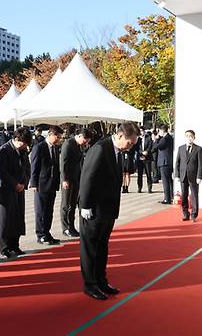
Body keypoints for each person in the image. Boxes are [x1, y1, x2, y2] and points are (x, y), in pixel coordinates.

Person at [79, 122, 139, 300]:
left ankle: (101, 280)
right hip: (94, 209)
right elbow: (88, 177)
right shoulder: (100, 148)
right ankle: (90, 284)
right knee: (90, 247)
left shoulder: (119, 152)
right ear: (120, 136)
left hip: (108, 209)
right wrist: (85, 206)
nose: (131, 146)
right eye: (130, 143)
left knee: (102, 246)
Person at [0, 128, 32, 258]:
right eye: (23, 143)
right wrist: (15, 184)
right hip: (6, 190)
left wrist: (24, 183)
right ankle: (4, 248)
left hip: (19, 189)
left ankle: (15, 245)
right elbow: (2, 172)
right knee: (5, 219)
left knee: (18, 217)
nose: (24, 146)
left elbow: (27, 168)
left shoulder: (23, 151)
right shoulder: (4, 150)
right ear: (16, 139)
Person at [30, 125, 64, 245]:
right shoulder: (39, 147)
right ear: (50, 135)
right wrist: (33, 183)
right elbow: (34, 166)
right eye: (58, 137)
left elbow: (56, 166)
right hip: (41, 184)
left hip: (52, 184)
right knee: (40, 211)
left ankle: (47, 232)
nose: (59, 139)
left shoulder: (55, 148)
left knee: (49, 211)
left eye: (60, 137)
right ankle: (40, 234)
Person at [60, 128, 92, 237]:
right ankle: (65, 228)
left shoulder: (80, 146)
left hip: (76, 178)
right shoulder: (68, 144)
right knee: (66, 204)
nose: (85, 142)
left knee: (73, 204)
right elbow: (63, 163)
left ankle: (72, 226)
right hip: (68, 179)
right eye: (84, 139)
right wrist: (64, 179)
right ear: (78, 136)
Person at [174, 130, 202, 222]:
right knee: (184, 195)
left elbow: (200, 164)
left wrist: (199, 176)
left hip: (194, 176)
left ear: (194, 137)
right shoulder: (181, 148)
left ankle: (194, 215)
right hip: (183, 175)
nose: (189, 138)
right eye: (187, 136)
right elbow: (177, 162)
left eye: (191, 136)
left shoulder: (198, 149)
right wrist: (177, 175)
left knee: (194, 195)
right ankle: (185, 213)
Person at [154, 125, 174, 204]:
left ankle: (167, 198)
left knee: (165, 181)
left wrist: (156, 139)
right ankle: (171, 196)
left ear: (162, 131)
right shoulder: (170, 138)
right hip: (168, 161)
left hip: (164, 162)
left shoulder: (164, 139)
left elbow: (156, 147)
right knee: (169, 180)